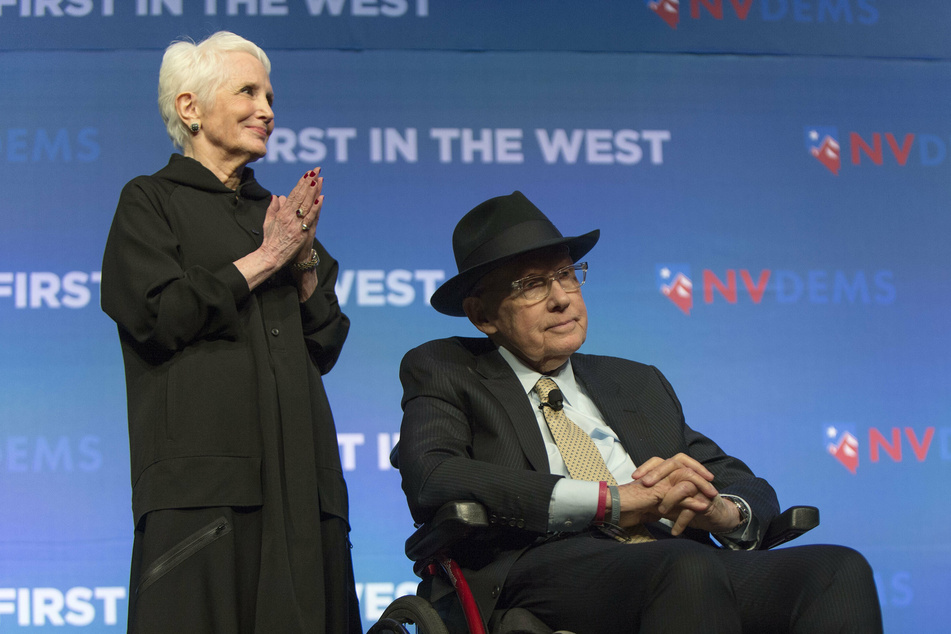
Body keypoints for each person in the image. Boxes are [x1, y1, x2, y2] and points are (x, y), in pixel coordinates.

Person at [397, 191, 883, 633]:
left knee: (835, 570)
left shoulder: (633, 380)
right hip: (542, 565)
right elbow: (433, 474)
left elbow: (734, 476)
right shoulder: (447, 369)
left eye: (566, 274)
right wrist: (612, 501)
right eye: (531, 285)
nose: (562, 297)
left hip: (679, 560)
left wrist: (721, 510)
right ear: (483, 315)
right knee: (685, 569)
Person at [101, 32, 361, 633]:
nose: (267, 109)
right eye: (248, 91)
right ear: (189, 108)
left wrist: (302, 264)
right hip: (206, 494)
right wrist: (266, 258)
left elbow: (325, 341)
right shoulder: (150, 201)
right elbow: (156, 315)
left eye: (270, 94)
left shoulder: (282, 215)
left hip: (305, 488)